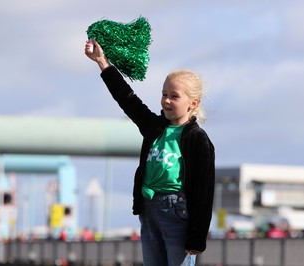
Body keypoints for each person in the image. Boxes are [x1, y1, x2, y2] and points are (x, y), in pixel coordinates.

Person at [85, 39, 215, 266]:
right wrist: (102, 62)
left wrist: (197, 238)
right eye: (164, 94)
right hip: (149, 208)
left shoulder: (197, 139)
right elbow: (127, 100)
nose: (166, 100)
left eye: (174, 96)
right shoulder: (154, 127)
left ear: (193, 103)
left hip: (177, 212)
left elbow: (204, 191)